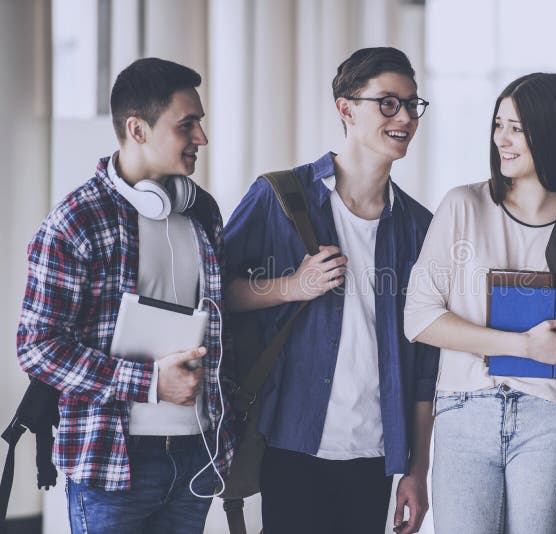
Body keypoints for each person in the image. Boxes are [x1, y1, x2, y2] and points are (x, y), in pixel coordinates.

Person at [223, 46, 439, 534]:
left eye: (411, 104)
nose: (404, 116)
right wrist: (290, 287)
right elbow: (216, 295)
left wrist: (417, 469)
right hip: (290, 438)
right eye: (388, 103)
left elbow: (427, 364)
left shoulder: (420, 227)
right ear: (345, 108)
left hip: (376, 449)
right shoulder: (279, 196)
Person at [16, 57, 236, 533]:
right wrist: (151, 383)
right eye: (187, 125)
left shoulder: (201, 213)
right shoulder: (76, 222)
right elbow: (37, 348)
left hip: (194, 455)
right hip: (112, 463)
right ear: (137, 128)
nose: (201, 138)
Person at [403, 73, 556, 533]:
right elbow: (419, 318)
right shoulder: (462, 205)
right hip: (464, 409)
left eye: (517, 128)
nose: (502, 139)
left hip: (553, 413)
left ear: (551, 132)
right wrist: (521, 345)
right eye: (499, 124)